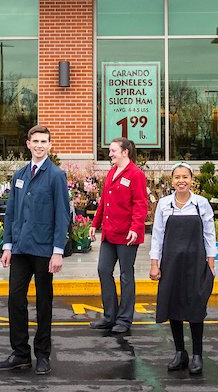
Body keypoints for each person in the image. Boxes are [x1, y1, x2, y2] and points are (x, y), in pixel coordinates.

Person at [0, 125, 70, 376]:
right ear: (28, 144)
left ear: (50, 145)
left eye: (44, 141)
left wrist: (58, 251)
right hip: (21, 249)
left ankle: (43, 355)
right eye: (35, 141)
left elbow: (62, 214)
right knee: (15, 299)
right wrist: (7, 245)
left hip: (45, 250)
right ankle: (20, 353)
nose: (39, 145)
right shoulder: (20, 174)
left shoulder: (56, 175)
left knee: (44, 303)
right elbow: (11, 212)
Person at [149, 162, 216, 376]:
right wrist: (154, 263)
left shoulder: (201, 204)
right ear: (172, 181)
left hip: (195, 263)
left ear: (192, 180)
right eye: (177, 177)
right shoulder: (164, 204)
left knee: (196, 307)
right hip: (171, 264)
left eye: (185, 177)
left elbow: (210, 233)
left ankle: (197, 354)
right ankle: (180, 352)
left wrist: (211, 262)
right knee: (174, 306)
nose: (181, 181)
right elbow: (157, 235)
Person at [91, 137, 148, 335]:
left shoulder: (136, 174)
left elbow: (140, 204)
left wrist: (135, 227)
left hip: (127, 235)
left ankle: (124, 319)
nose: (110, 154)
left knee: (126, 275)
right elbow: (103, 202)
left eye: (113, 150)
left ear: (125, 152)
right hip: (109, 232)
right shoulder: (111, 173)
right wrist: (95, 224)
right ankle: (109, 316)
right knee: (103, 270)